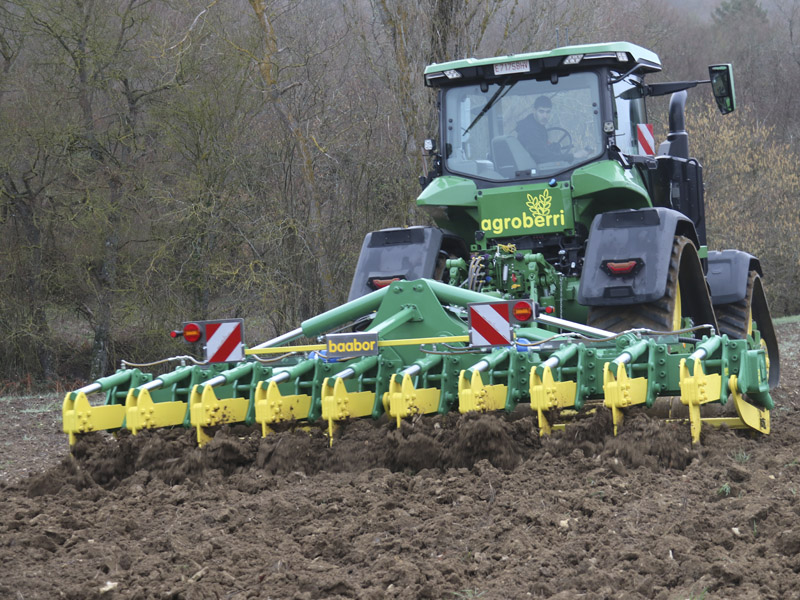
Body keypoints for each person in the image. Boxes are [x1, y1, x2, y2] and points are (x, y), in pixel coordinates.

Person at [515, 96, 572, 163]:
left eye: (548, 112)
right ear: (534, 110)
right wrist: (572, 156)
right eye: (541, 112)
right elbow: (543, 157)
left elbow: (539, 150)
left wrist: (552, 147)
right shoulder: (528, 130)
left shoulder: (537, 127)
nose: (545, 116)